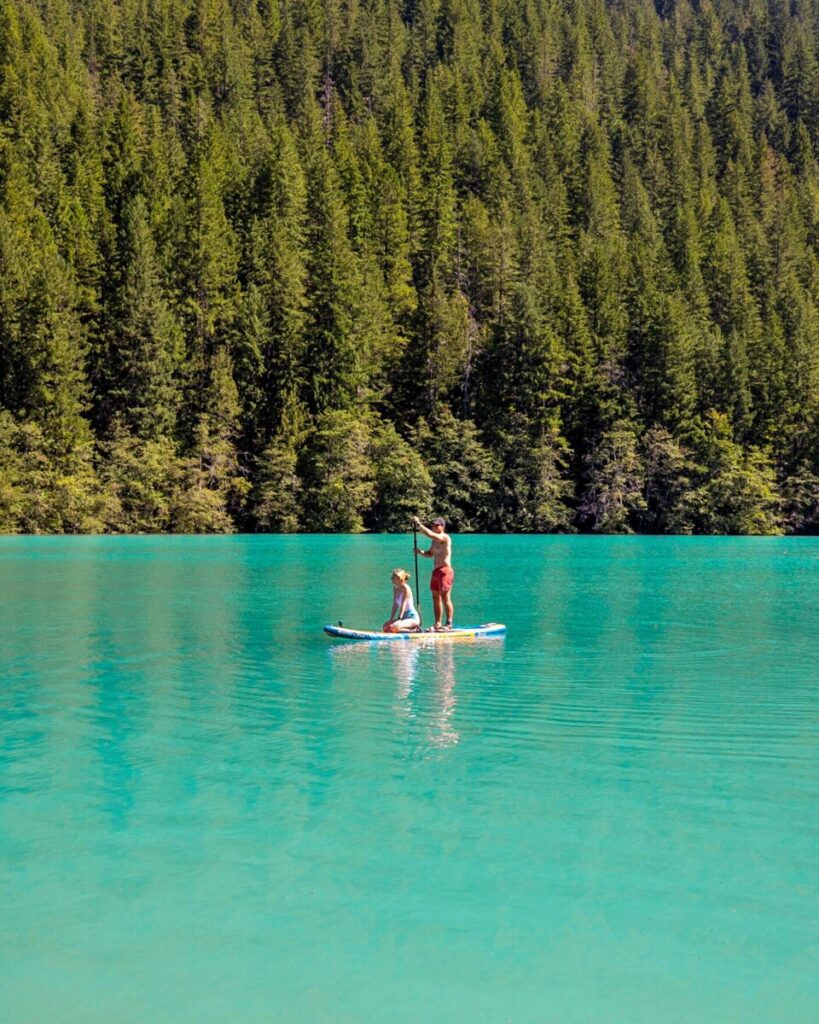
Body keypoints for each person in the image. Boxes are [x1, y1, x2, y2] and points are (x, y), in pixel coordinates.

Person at [412, 515, 454, 630]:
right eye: (433, 525)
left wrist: (418, 524)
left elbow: (430, 534)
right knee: (435, 597)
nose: (434, 527)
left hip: (445, 570)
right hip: (436, 572)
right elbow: (430, 554)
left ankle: (449, 623)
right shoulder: (434, 541)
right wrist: (420, 552)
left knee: (445, 597)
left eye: (436, 525)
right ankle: (437, 623)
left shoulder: (445, 537)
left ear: (442, 526)